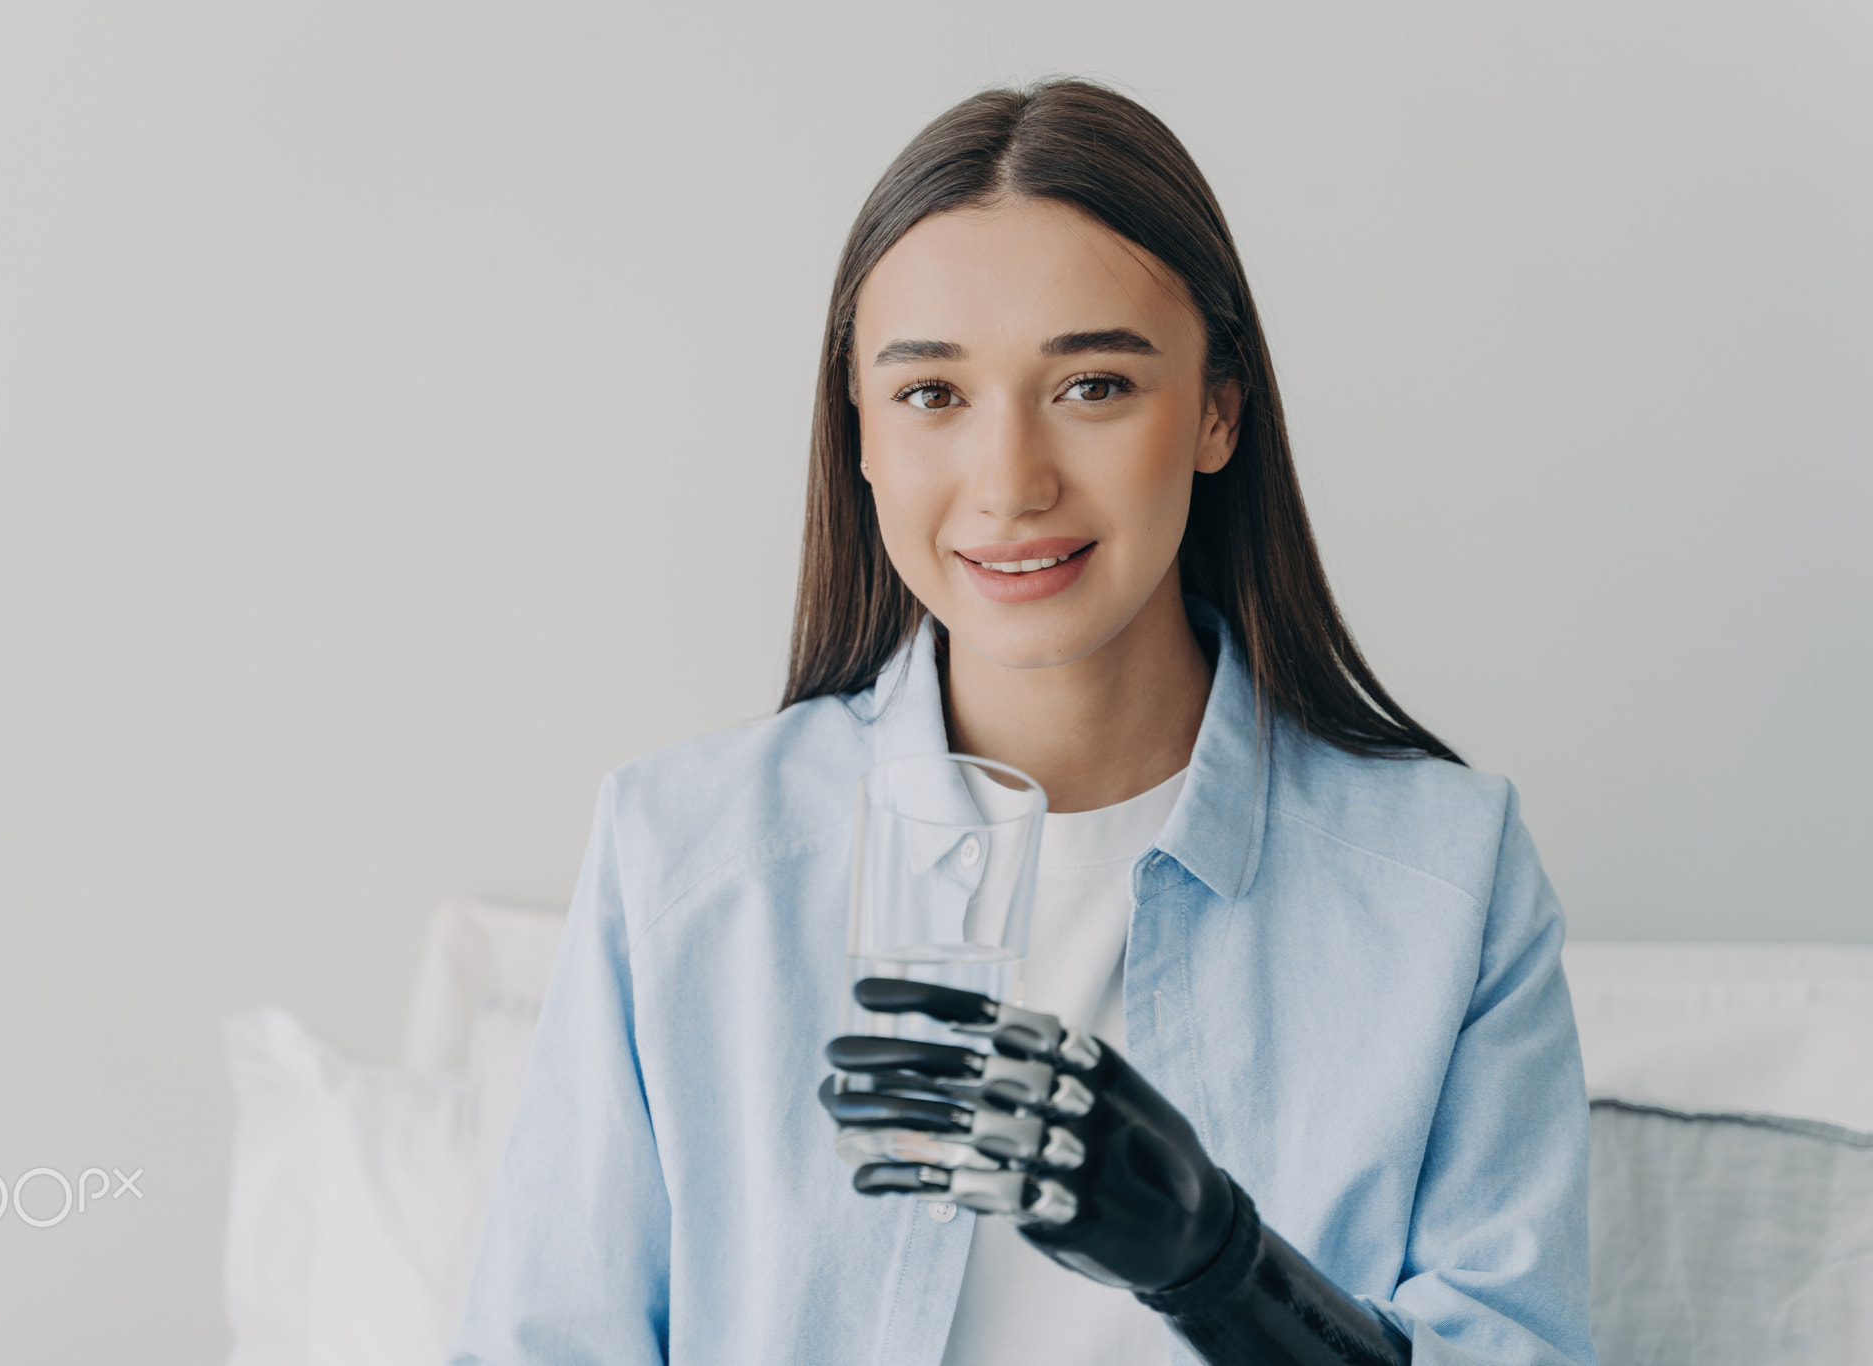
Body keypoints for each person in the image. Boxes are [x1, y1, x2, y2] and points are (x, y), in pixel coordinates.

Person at [452, 80, 1595, 1366]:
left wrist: (1220, 1266)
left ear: (1218, 408)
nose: (1009, 484)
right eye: (931, 395)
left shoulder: (1446, 876)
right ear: (861, 435)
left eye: (1093, 383)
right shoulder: (684, 856)